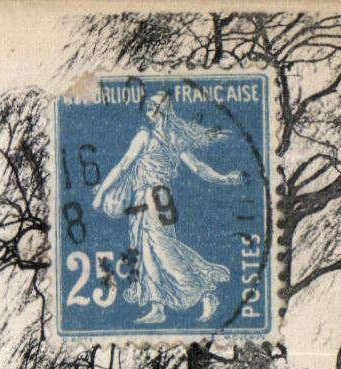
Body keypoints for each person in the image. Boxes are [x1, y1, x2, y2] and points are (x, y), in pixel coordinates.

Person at [92, 90, 244, 324]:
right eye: (149, 107)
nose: (149, 111)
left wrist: (224, 179)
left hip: (155, 197)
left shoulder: (158, 138)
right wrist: (102, 192)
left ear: (163, 110)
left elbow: (197, 167)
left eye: (153, 106)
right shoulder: (161, 137)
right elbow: (124, 166)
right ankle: (158, 307)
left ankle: (204, 292)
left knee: (162, 248)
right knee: (147, 251)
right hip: (152, 197)